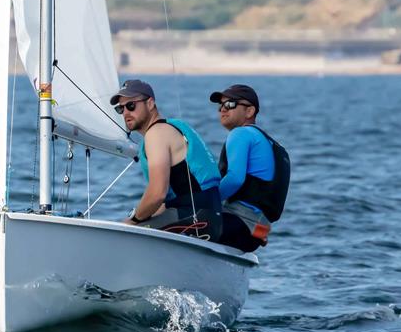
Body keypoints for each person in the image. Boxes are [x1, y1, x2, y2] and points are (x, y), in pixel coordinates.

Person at [110, 79, 223, 241]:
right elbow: (164, 202)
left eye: (131, 105)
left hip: (195, 218)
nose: (126, 112)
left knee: (120, 236)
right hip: (207, 216)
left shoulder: (156, 134)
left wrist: (133, 220)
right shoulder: (173, 126)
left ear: (150, 103)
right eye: (121, 109)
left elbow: (157, 194)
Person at [210, 84, 290, 252]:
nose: (223, 109)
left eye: (230, 104)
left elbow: (235, 179)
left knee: (172, 220)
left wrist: (204, 201)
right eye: (220, 106)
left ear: (249, 111)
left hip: (237, 225)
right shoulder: (274, 145)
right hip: (256, 234)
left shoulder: (241, 134)